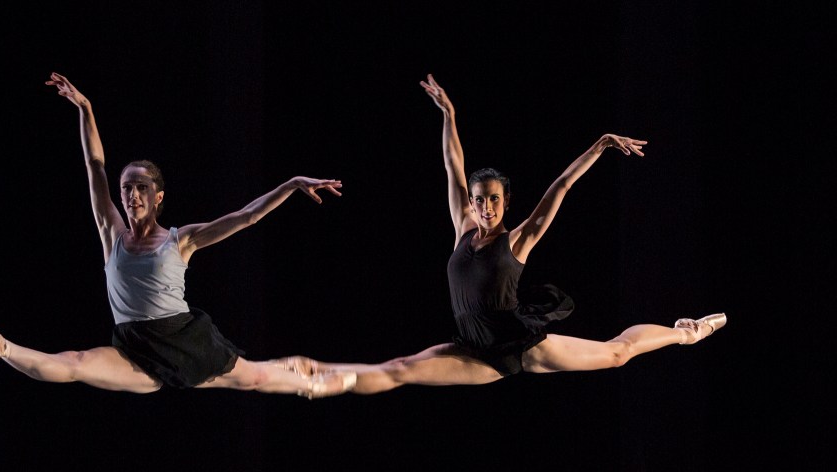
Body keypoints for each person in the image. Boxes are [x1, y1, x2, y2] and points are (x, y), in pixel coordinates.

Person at [274, 73, 726, 393]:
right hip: (472, 349)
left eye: (494, 200)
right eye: (479, 199)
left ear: (505, 203)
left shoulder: (519, 240)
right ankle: (320, 374)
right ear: (471, 203)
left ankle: (685, 332)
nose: (485, 207)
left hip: (518, 347)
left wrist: (602, 144)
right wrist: (448, 114)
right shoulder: (462, 229)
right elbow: (453, 165)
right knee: (399, 369)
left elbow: (562, 185)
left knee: (615, 353)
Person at [0, 72, 355, 399]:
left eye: (141, 187)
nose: (131, 194)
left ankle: (312, 383)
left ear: (158, 197)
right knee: (73, 364)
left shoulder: (181, 240)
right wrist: (85, 109)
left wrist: (291, 184)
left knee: (254, 380)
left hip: (182, 339)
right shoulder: (112, 233)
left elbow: (246, 217)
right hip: (134, 345)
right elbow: (95, 166)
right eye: (127, 187)